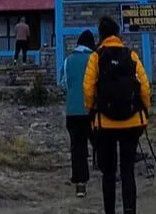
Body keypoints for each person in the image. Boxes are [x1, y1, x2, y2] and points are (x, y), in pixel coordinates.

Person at [83, 16, 151, 214]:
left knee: (109, 173)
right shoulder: (131, 55)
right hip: (131, 121)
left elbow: (88, 89)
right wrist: (144, 111)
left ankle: (110, 210)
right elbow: (145, 88)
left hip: (105, 123)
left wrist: (91, 111)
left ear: (101, 35)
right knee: (128, 171)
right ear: (118, 34)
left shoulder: (96, 56)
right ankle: (130, 210)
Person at [62, 30, 97, 198]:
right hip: (92, 110)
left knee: (78, 147)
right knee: (100, 142)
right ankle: (108, 171)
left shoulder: (68, 60)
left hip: (72, 111)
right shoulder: (94, 59)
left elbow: (63, 83)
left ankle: (80, 184)